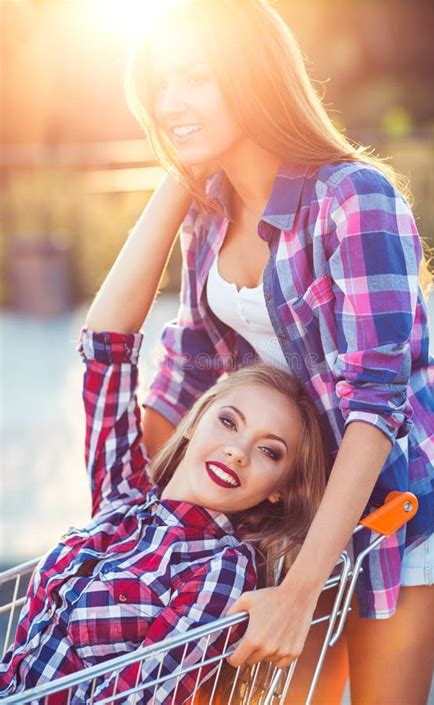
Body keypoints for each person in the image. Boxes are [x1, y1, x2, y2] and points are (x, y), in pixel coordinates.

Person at [123, 1, 434, 703]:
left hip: (389, 509)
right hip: (288, 509)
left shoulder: (354, 197)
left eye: (195, 79)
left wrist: (303, 586)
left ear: (254, 76)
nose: (170, 103)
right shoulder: (208, 211)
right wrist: (131, 532)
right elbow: (182, 378)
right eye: (160, 86)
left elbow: (379, 405)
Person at [0, 190, 328, 701]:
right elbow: (105, 348)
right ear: (195, 422)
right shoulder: (123, 499)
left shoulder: (221, 566)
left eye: (269, 451)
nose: (238, 450)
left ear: (279, 491)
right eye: (228, 421)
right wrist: (180, 177)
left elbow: (144, 695)